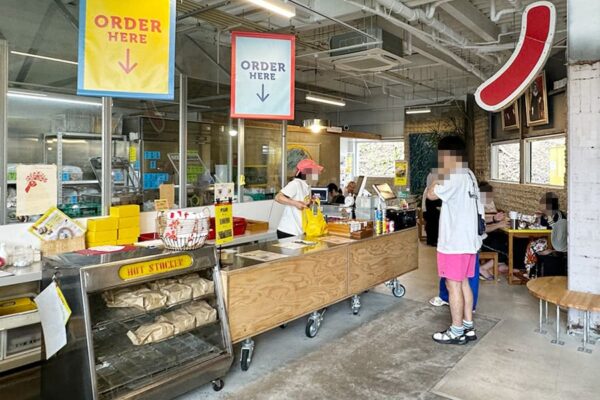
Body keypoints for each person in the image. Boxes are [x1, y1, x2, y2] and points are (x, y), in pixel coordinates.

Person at [426, 135, 482, 345]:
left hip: (454, 244)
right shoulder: (469, 175)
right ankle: (468, 326)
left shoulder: (453, 175)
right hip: (469, 243)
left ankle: (456, 330)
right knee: (464, 283)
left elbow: (431, 195)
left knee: (452, 286)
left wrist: (439, 176)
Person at [275, 159, 324, 239]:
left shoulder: (307, 186)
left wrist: (311, 203)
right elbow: (278, 197)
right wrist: (295, 203)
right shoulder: (296, 184)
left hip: (300, 230)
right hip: (289, 230)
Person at [524, 192, 567, 278]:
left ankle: (531, 272)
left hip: (555, 242)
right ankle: (532, 271)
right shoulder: (545, 215)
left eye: (543, 205)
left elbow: (556, 232)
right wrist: (538, 218)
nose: (541, 207)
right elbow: (540, 227)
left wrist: (553, 250)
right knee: (531, 244)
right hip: (546, 239)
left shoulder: (558, 216)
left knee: (532, 246)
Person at [422, 172, 442, 246]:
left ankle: (432, 240)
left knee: (434, 223)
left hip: (432, 209)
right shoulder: (430, 190)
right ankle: (432, 240)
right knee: (432, 223)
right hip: (429, 210)